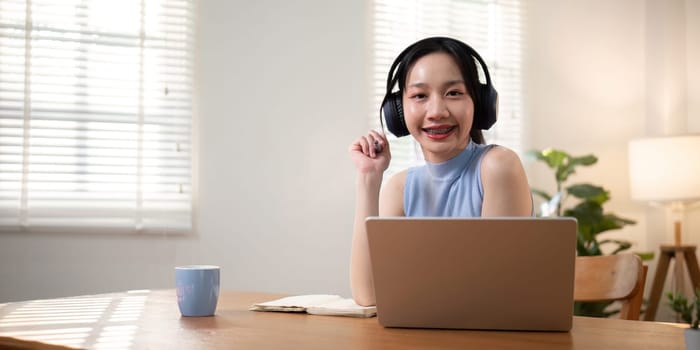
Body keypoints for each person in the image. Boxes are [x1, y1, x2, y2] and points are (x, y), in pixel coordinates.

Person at [348, 37, 533, 306]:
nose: (436, 111)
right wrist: (368, 178)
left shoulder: (497, 166)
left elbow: (494, 293)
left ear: (479, 104)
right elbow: (368, 296)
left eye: (454, 93)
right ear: (398, 111)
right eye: (419, 95)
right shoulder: (400, 188)